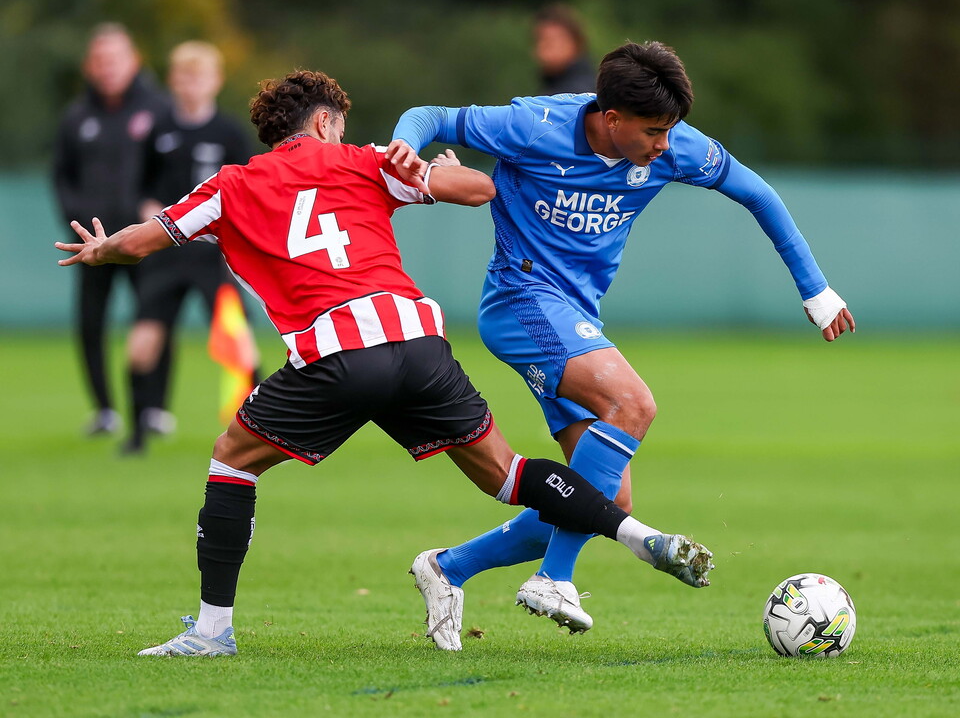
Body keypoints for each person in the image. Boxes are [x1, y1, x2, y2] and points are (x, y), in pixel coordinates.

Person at [54, 69, 706, 657]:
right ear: (324, 122)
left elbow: (144, 242)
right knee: (507, 473)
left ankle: (211, 632)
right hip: (420, 342)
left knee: (232, 457)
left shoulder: (231, 184)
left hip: (336, 352)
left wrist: (100, 249)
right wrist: (437, 165)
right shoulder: (365, 161)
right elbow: (478, 188)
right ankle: (635, 532)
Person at [391, 40, 854, 646]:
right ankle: (553, 578)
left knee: (603, 495)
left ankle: (447, 568)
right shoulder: (534, 124)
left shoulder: (673, 144)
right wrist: (404, 144)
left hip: (577, 317)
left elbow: (759, 195)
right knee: (633, 405)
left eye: (672, 130)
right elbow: (431, 117)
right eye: (654, 131)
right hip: (521, 300)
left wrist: (816, 292)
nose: (665, 144)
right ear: (611, 119)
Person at [124, 41, 257, 454]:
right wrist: (150, 215)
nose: (190, 84)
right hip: (165, 254)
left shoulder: (230, 132)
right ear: (172, 80)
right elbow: (143, 189)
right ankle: (138, 435)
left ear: (216, 81)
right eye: (183, 75)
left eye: (199, 75)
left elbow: (249, 191)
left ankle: (264, 433)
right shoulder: (158, 130)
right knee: (143, 344)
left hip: (214, 256)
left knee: (240, 346)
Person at [53, 23, 170, 435]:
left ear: (134, 61)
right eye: (100, 60)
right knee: (90, 322)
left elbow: (169, 168)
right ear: (89, 66)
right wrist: (75, 218)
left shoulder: (158, 109)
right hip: (91, 243)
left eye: (115, 58)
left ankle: (153, 409)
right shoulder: (76, 116)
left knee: (154, 319)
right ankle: (104, 409)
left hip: (143, 238)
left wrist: (158, 212)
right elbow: (62, 176)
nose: (107, 68)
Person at [533, 3, 595, 95]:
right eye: (537, 41)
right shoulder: (554, 85)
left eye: (549, 42)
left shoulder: (577, 95)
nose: (540, 49)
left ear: (575, 43)